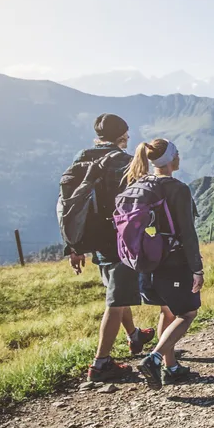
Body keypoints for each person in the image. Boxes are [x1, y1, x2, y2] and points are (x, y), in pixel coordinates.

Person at [59, 113, 155, 382]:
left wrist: (74, 245)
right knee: (116, 299)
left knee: (116, 291)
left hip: (91, 239)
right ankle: (101, 364)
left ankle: (134, 336)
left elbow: (70, 204)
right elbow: (140, 202)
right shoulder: (125, 162)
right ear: (122, 135)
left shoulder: (82, 157)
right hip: (119, 240)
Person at [119, 138, 205, 389]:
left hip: (146, 263)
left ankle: (172, 367)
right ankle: (155, 358)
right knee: (187, 313)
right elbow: (188, 232)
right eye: (176, 152)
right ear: (169, 159)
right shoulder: (178, 189)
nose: (179, 156)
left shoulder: (139, 185)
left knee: (167, 310)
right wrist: (196, 268)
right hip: (173, 262)